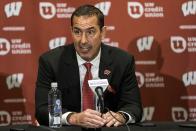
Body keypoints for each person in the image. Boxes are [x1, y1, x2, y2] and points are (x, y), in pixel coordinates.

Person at [35, 4, 142, 128]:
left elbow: (134, 106)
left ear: (103, 32)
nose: (83, 41)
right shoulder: (51, 62)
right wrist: (73, 118)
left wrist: (121, 116)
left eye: (90, 32)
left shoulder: (122, 61)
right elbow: (42, 110)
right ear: (71, 31)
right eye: (77, 32)